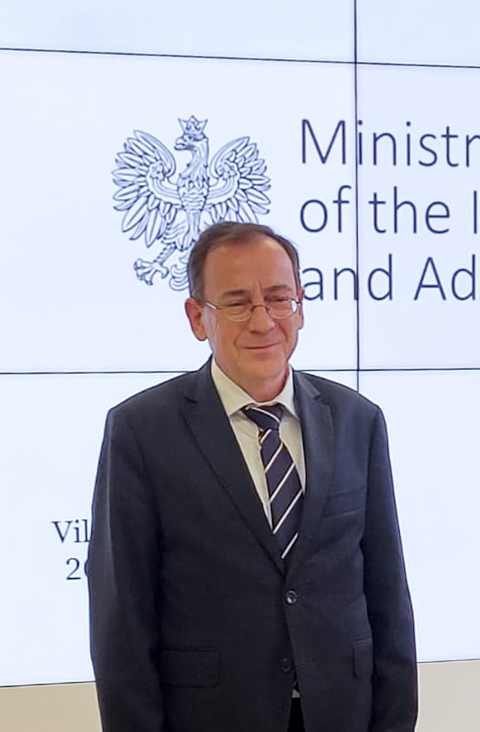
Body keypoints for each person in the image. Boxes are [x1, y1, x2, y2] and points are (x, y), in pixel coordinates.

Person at [88, 222, 417, 732]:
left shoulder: (357, 419)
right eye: (238, 304)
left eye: (279, 299)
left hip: (341, 713)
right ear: (197, 317)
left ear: (300, 308)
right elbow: (121, 618)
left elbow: (388, 594)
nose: (263, 321)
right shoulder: (141, 430)